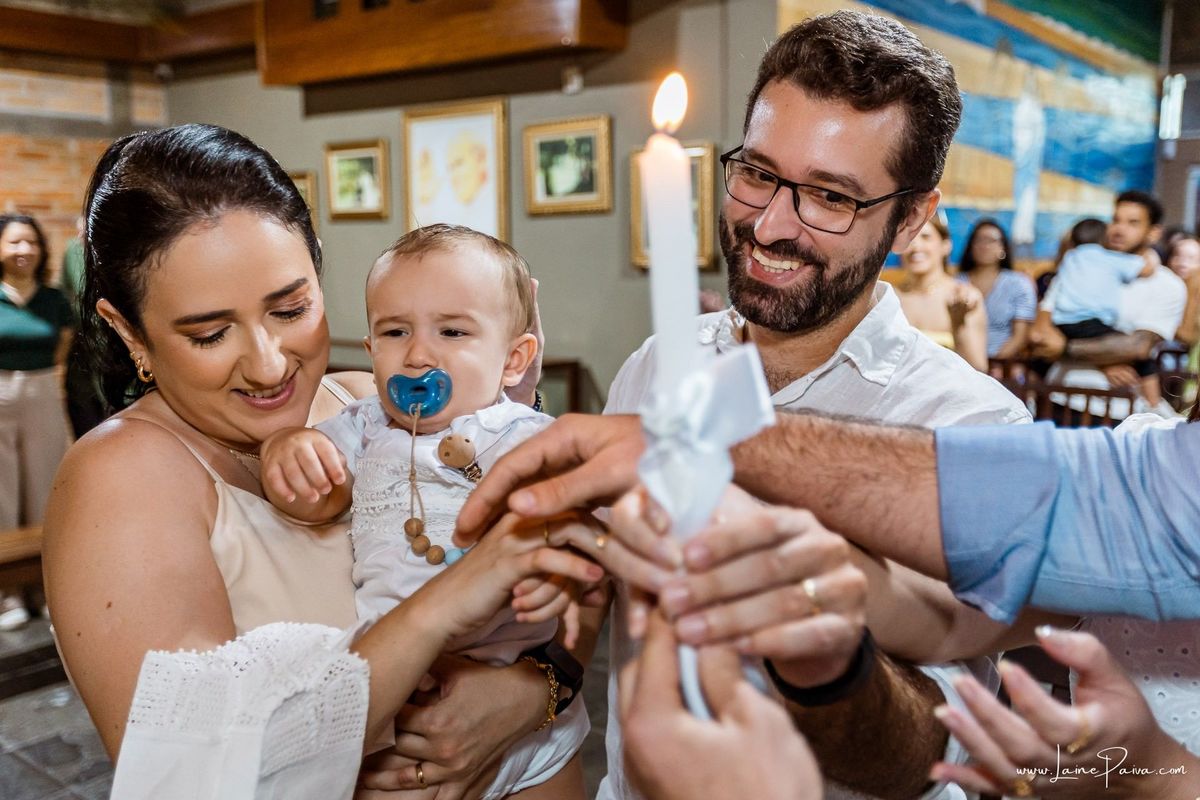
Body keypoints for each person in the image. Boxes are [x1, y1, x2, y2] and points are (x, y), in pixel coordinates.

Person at [471, 11, 1029, 800]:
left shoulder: (970, 427)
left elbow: (931, 754)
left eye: (830, 198)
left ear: (910, 219)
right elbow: (596, 580)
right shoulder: (664, 361)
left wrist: (819, 653)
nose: (768, 226)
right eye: (758, 173)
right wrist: (535, 689)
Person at [41, 123, 604, 799]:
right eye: (211, 333)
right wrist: (437, 611)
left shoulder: (367, 401)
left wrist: (534, 686)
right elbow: (196, 775)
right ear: (129, 329)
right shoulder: (121, 478)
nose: (270, 363)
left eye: (291, 307)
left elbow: (575, 580)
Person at [259, 223, 586, 799]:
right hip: (400, 692)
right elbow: (315, 501)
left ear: (514, 360)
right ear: (370, 350)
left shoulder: (522, 434)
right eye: (394, 331)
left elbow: (586, 515)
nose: (417, 354)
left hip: (524, 697)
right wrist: (287, 451)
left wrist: (560, 556)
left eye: (452, 331)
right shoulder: (361, 426)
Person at [1030, 192, 1185, 422]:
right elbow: (1041, 332)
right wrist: (1106, 359)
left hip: (1121, 411)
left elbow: (1137, 347)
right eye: (1115, 220)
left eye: (1133, 223)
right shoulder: (1080, 267)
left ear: (1154, 232)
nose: (1118, 229)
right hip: (1059, 397)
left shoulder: (1168, 285)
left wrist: (1065, 349)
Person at [0, 212, 73, 631]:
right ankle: (8, 594)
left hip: (44, 391)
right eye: (13, 242)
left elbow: (63, 344)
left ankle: (44, 588)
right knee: (2, 494)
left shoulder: (53, 299)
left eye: (30, 242)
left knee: (45, 487)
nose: (23, 250)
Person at [1041, 218, 1162, 407]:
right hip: (1090, 323)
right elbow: (1146, 269)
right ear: (1105, 238)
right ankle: (1155, 407)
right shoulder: (1108, 258)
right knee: (1141, 357)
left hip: (1062, 324)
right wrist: (1152, 255)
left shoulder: (1069, 258)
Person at [894, 216, 988, 371]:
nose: (916, 247)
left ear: (946, 246)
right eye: (909, 239)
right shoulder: (890, 296)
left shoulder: (963, 296)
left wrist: (958, 324)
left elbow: (978, 369)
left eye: (926, 237)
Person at [957, 218, 1036, 361]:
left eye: (991, 240)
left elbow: (1020, 335)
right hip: (960, 361)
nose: (984, 246)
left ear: (1003, 248)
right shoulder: (957, 283)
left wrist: (993, 363)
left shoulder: (1018, 283)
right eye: (979, 240)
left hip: (1002, 364)